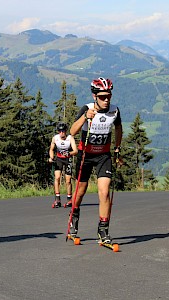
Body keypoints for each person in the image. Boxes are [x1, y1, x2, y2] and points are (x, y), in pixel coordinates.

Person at [69, 77, 122, 245]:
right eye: (102, 97)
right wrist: (85, 117)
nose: (106, 100)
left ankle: (103, 230)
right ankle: (74, 219)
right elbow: (72, 131)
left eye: (109, 96)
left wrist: (117, 148)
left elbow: (119, 128)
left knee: (104, 192)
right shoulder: (87, 108)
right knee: (80, 193)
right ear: (94, 96)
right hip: (86, 155)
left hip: (103, 156)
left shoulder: (114, 111)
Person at [48, 122, 78, 208]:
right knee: (57, 178)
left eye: (63, 131)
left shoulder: (70, 138)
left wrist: (69, 153)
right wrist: (51, 157)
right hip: (59, 159)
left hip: (67, 159)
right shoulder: (55, 138)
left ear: (66, 131)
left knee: (68, 180)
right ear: (58, 131)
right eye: (60, 131)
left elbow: (75, 151)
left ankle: (69, 199)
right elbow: (51, 149)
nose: (62, 133)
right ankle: (57, 199)